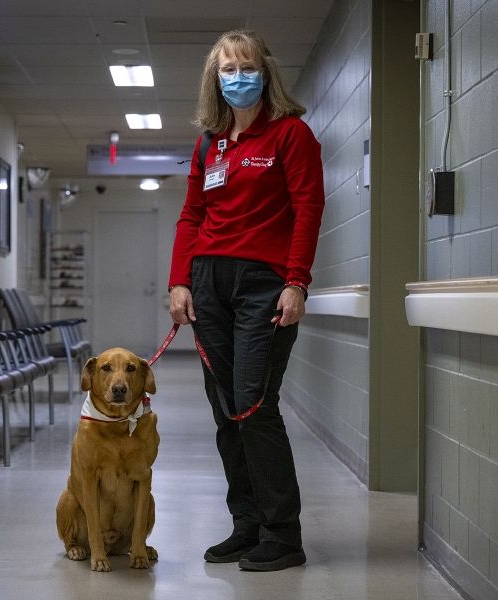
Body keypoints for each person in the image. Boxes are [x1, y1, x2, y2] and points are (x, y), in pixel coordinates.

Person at [168, 29, 325, 572]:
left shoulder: (291, 134)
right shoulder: (210, 141)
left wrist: (296, 281)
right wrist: (179, 282)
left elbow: (308, 208)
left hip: (264, 284)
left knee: (254, 408)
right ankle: (248, 524)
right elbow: (191, 215)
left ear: (266, 72)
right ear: (215, 79)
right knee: (225, 411)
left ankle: (284, 533)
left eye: (247, 67)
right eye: (227, 69)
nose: (238, 77)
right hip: (209, 282)